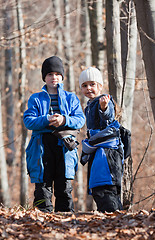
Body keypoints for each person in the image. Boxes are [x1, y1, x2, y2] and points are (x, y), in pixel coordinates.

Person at [23, 56, 85, 213]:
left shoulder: (71, 98)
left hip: (65, 146)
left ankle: (66, 223)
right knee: (42, 187)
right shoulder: (35, 98)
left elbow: (80, 120)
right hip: (41, 146)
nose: (54, 77)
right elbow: (29, 121)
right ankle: (42, 221)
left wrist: (64, 120)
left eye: (57, 74)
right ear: (44, 77)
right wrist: (46, 119)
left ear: (62, 76)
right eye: (50, 74)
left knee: (64, 186)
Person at [79, 67, 124, 213]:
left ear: (100, 86)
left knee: (104, 187)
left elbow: (108, 117)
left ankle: (114, 217)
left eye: (92, 84)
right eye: (84, 85)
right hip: (97, 151)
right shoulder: (89, 106)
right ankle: (115, 217)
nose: (88, 88)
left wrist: (104, 108)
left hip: (107, 152)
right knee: (98, 188)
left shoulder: (103, 101)